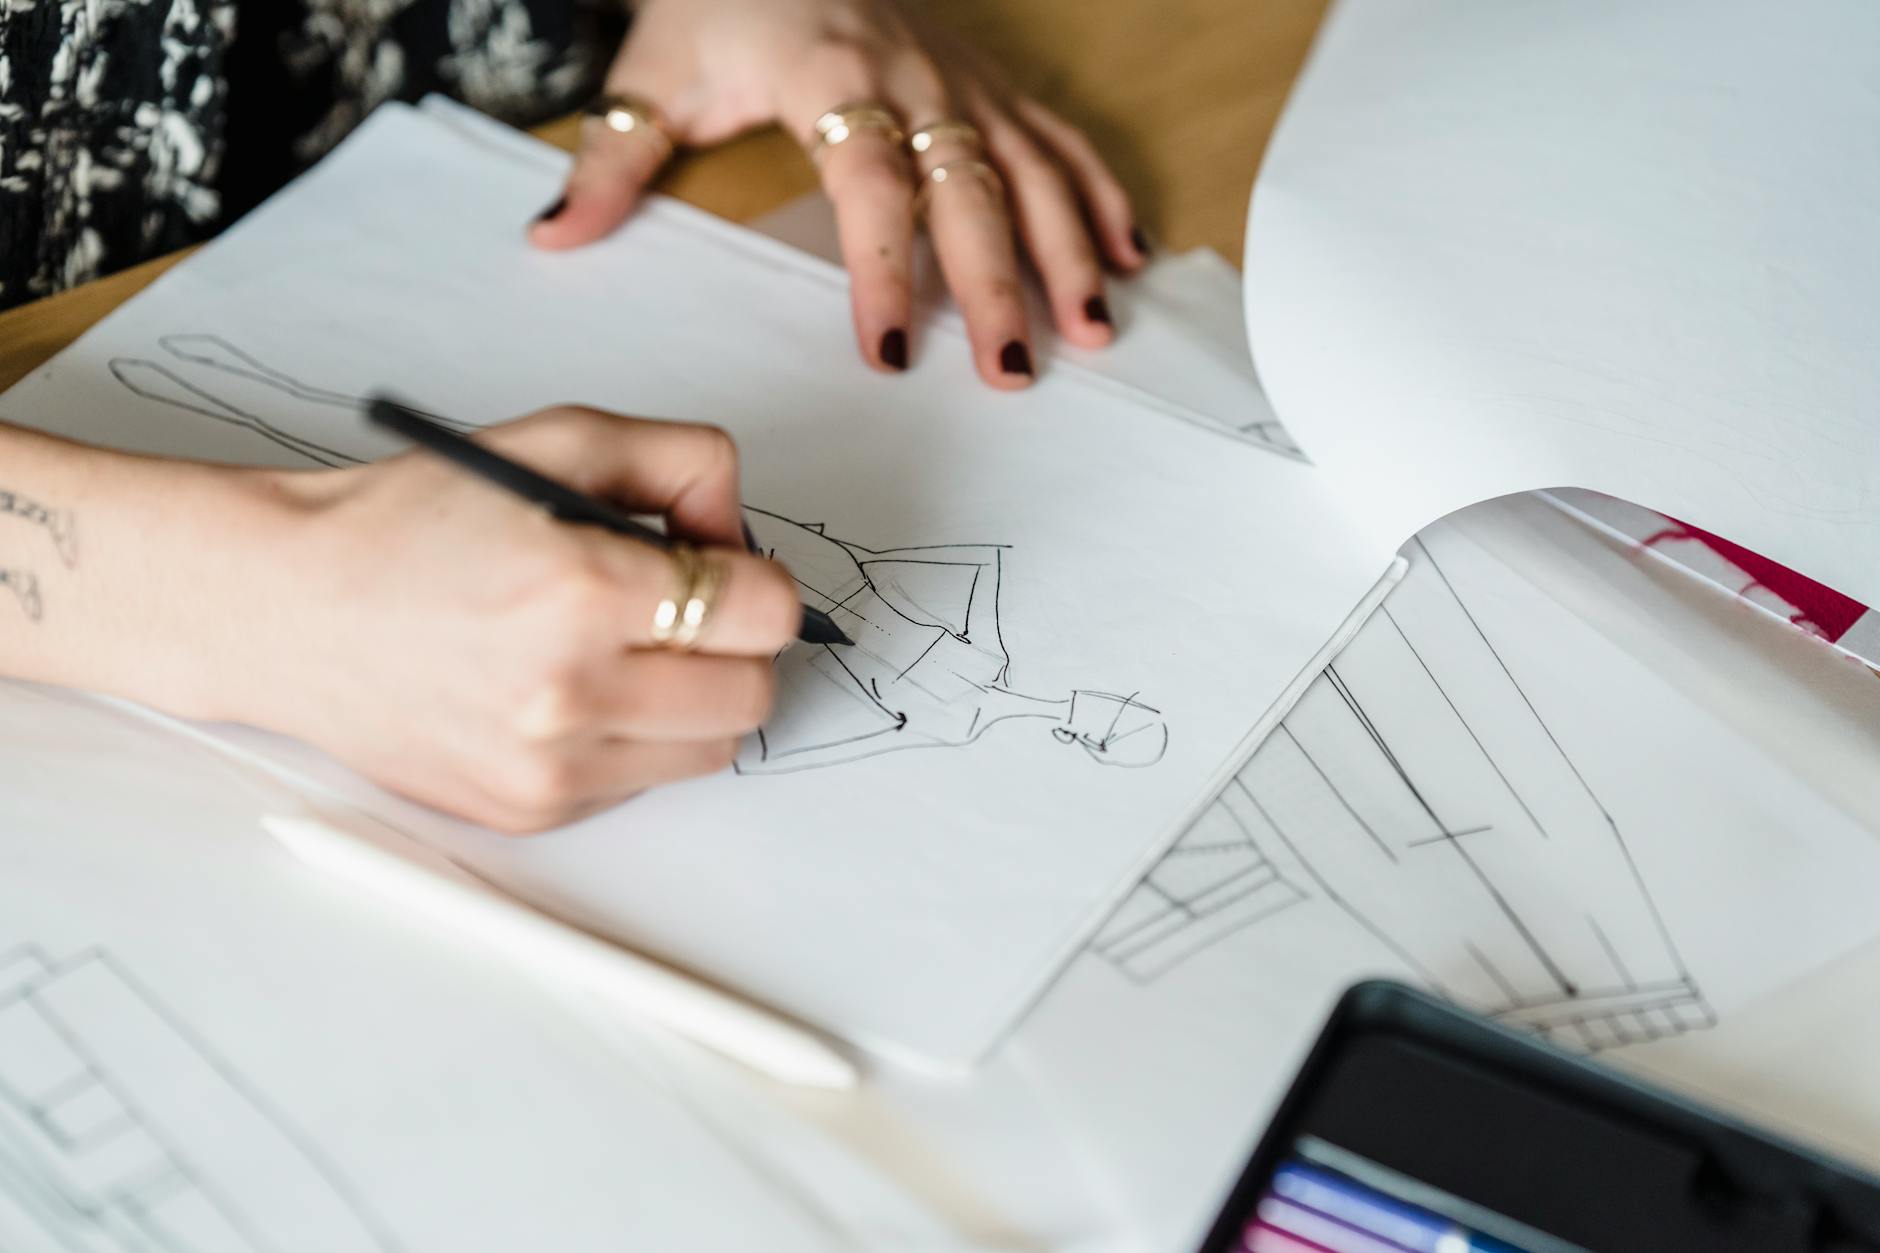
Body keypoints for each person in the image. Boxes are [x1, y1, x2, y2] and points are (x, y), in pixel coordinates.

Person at [0, 0, 1146, 831]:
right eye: (1097, 718)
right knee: (299, 426)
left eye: (1087, 727)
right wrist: (251, 592)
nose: (1080, 715)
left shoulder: (954, 682)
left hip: (526, 119)